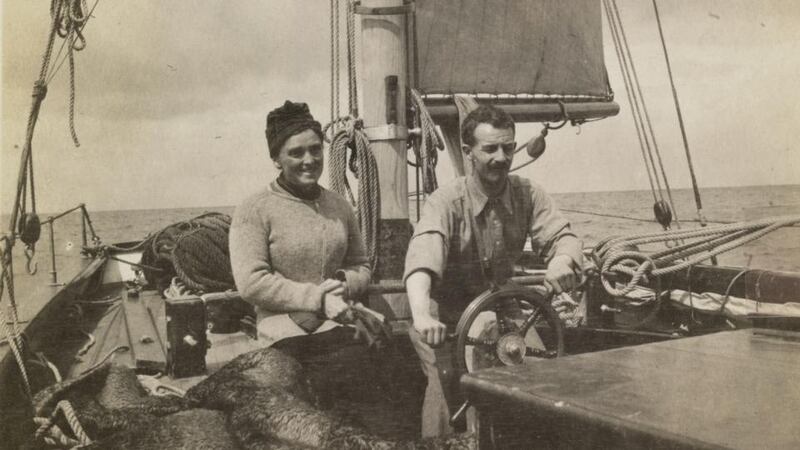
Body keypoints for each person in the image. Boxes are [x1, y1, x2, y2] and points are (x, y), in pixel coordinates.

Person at [403, 104, 584, 437]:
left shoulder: (528, 193)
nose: (501, 157)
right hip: (444, 317)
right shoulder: (444, 202)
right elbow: (421, 260)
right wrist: (421, 314)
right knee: (448, 393)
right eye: (490, 149)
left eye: (508, 147)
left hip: (503, 307)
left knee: (545, 379)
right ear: (468, 152)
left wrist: (562, 262)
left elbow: (564, 238)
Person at [229, 100, 371, 346]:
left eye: (315, 149)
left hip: (341, 316)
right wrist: (319, 299)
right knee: (344, 362)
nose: (309, 160)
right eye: (296, 153)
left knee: (401, 362)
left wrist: (343, 283)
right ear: (276, 159)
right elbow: (252, 283)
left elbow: (361, 265)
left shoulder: (340, 206)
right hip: (283, 326)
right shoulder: (254, 209)